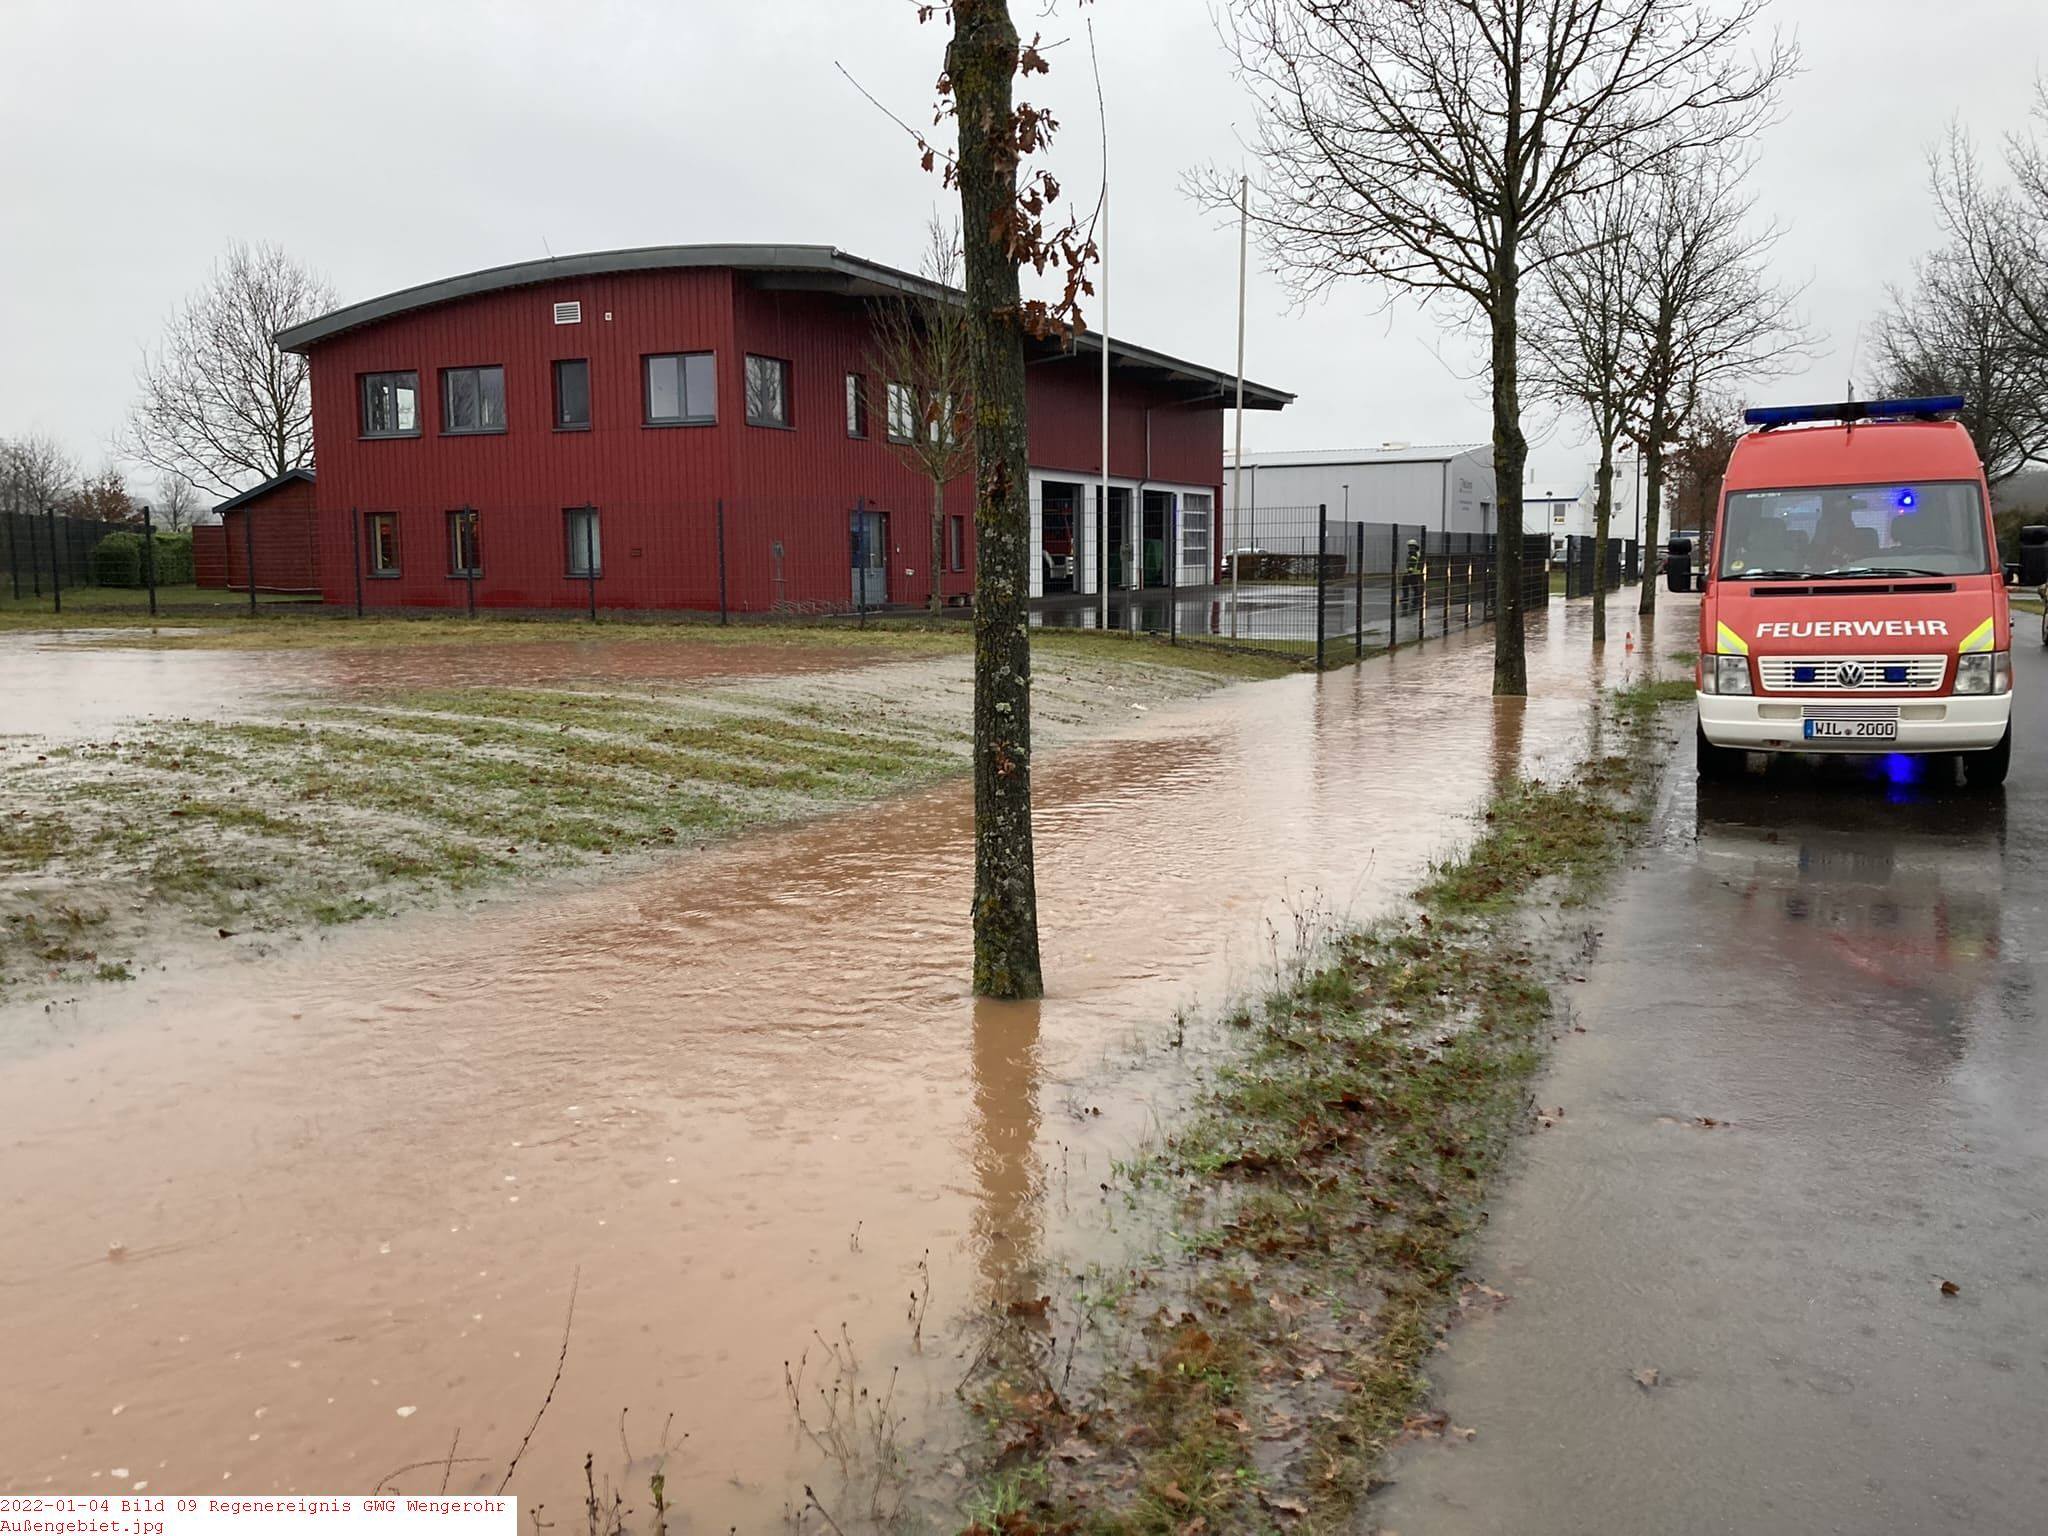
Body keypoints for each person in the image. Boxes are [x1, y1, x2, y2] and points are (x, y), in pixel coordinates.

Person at [1402, 538, 1424, 615]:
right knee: (1408, 585)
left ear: (1415, 546)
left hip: (1412, 573)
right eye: (1409, 546)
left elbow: (1412, 563)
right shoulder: (1416, 553)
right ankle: (1408, 598)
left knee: (1412, 587)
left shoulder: (1414, 554)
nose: (1410, 548)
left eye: (1411, 546)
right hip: (1413, 573)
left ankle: (1412, 600)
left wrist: (1409, 571)